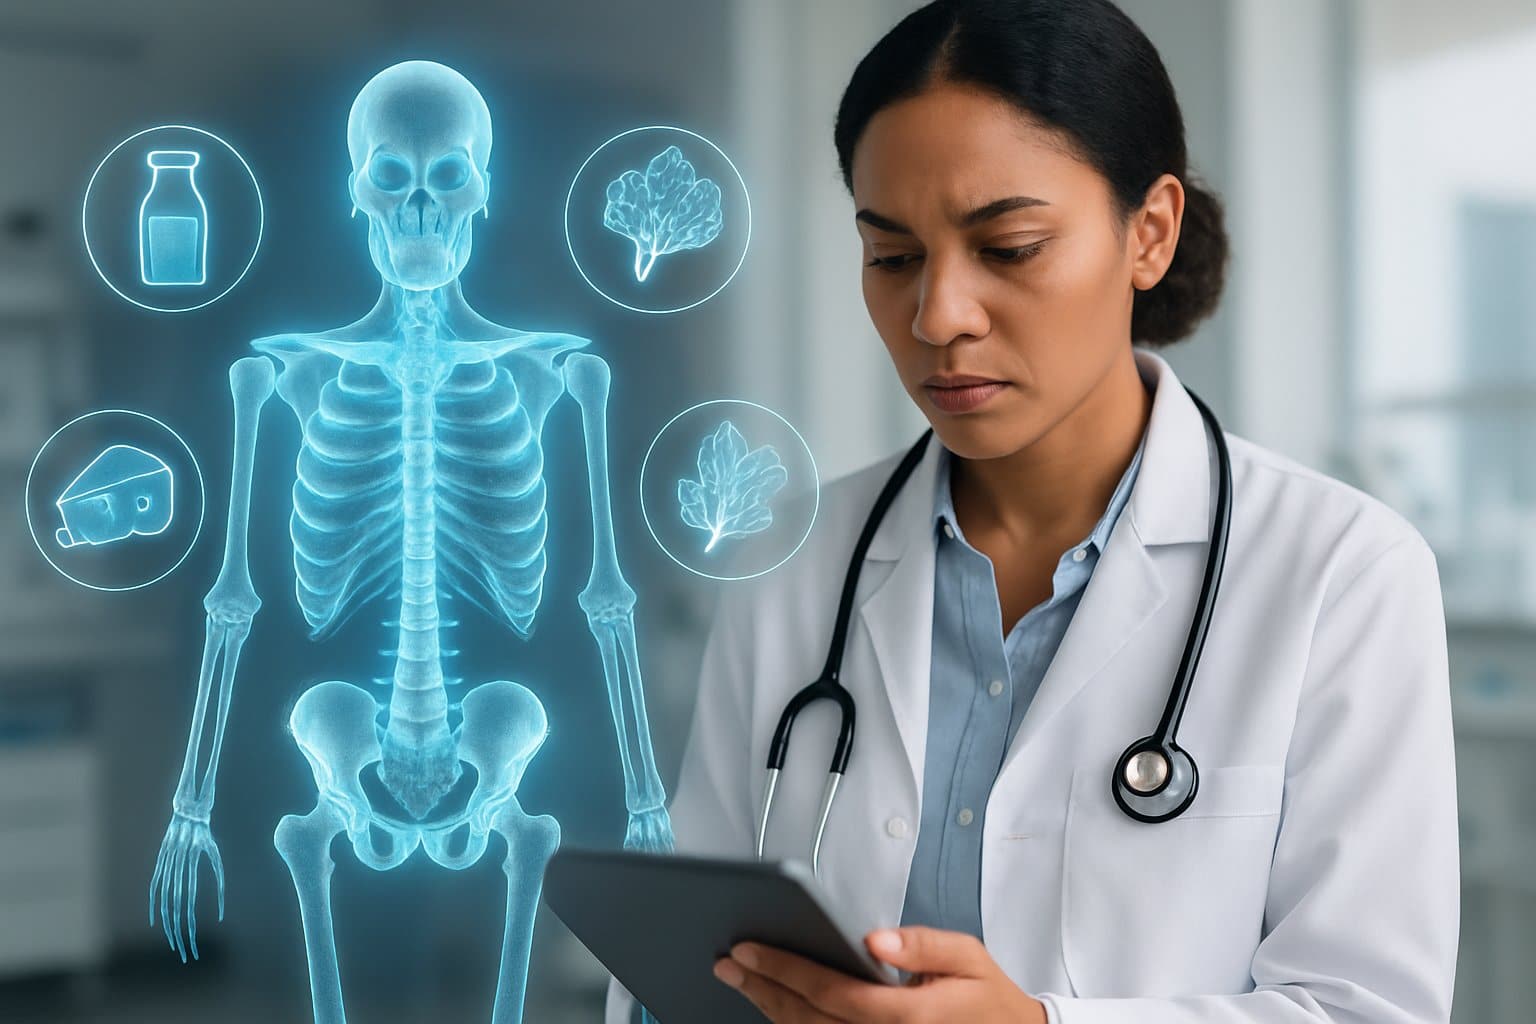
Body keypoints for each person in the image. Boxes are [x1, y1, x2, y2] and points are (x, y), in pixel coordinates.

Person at [608, 0, 1459, 1020]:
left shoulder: (1343, 573)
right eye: (892, 257)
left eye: (1007, 247)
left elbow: (1370, 1008)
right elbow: (681, 973)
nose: (937, 316)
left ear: (1148, 234)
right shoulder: (793, 562)